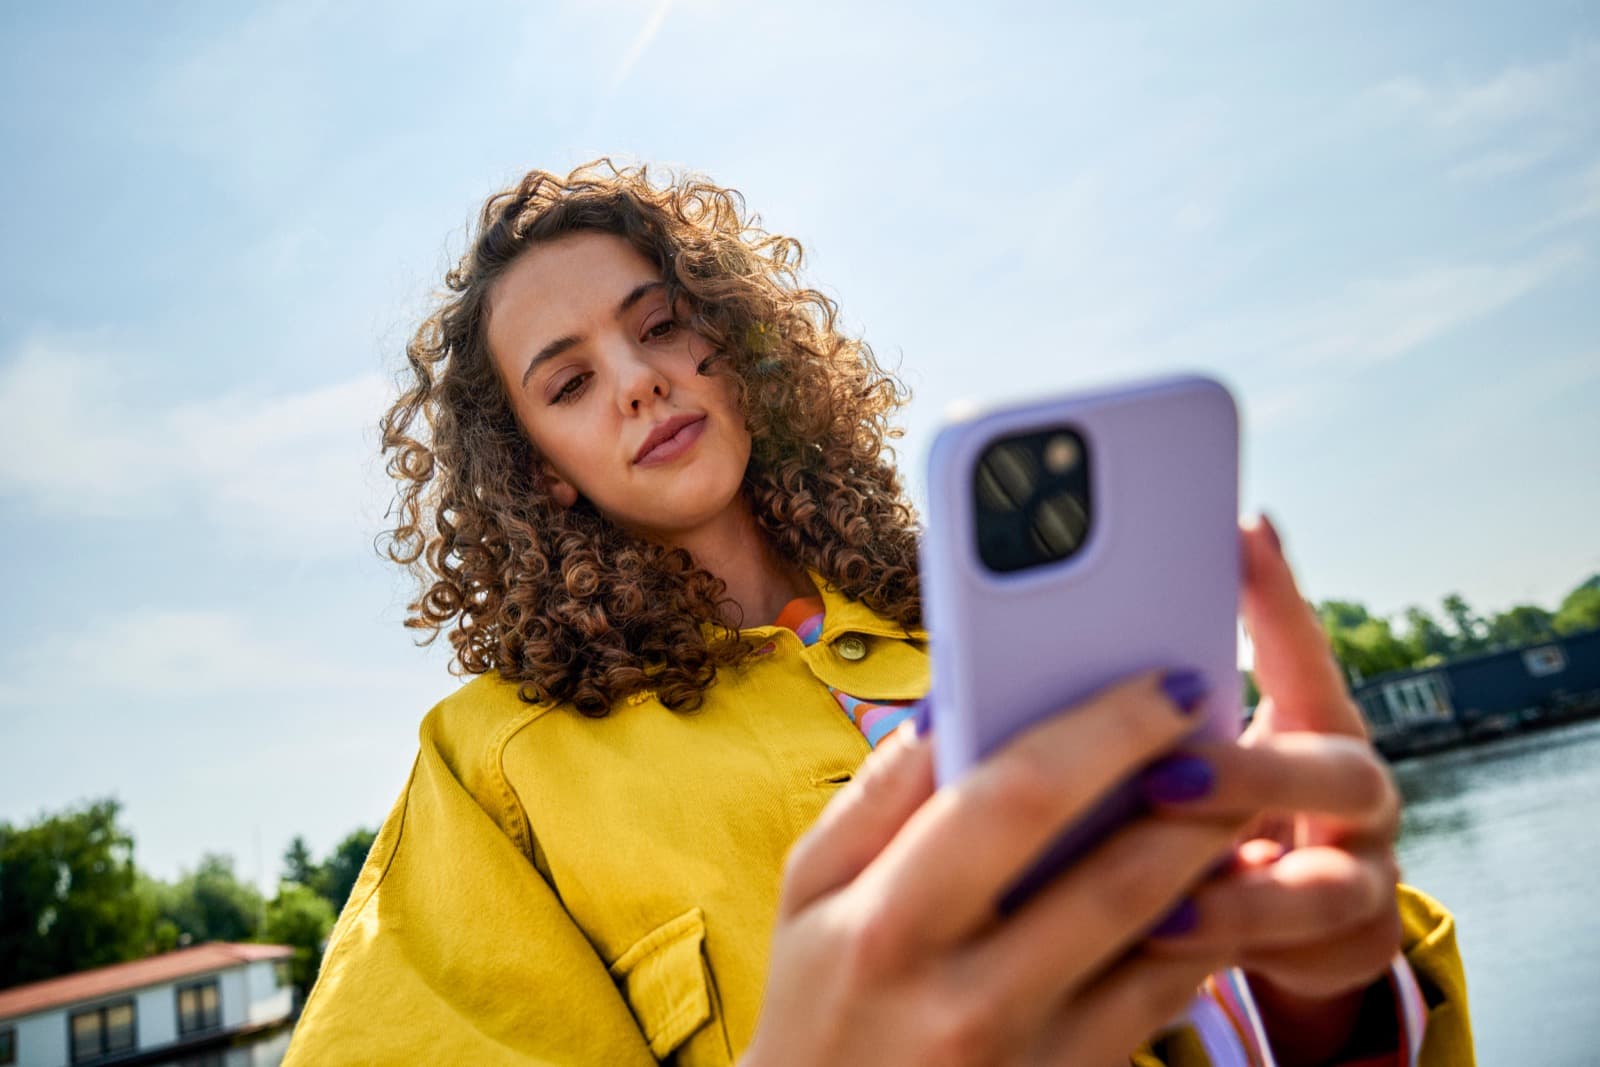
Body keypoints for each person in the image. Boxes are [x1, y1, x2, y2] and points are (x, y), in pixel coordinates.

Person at [283, 161, 1473, 1066]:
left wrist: (1327, 994)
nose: (639, 378)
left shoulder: (979, 631)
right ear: (537, 466)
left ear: (731, 341)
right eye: (572, 380)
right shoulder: (491, 770)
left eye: (659, 325)